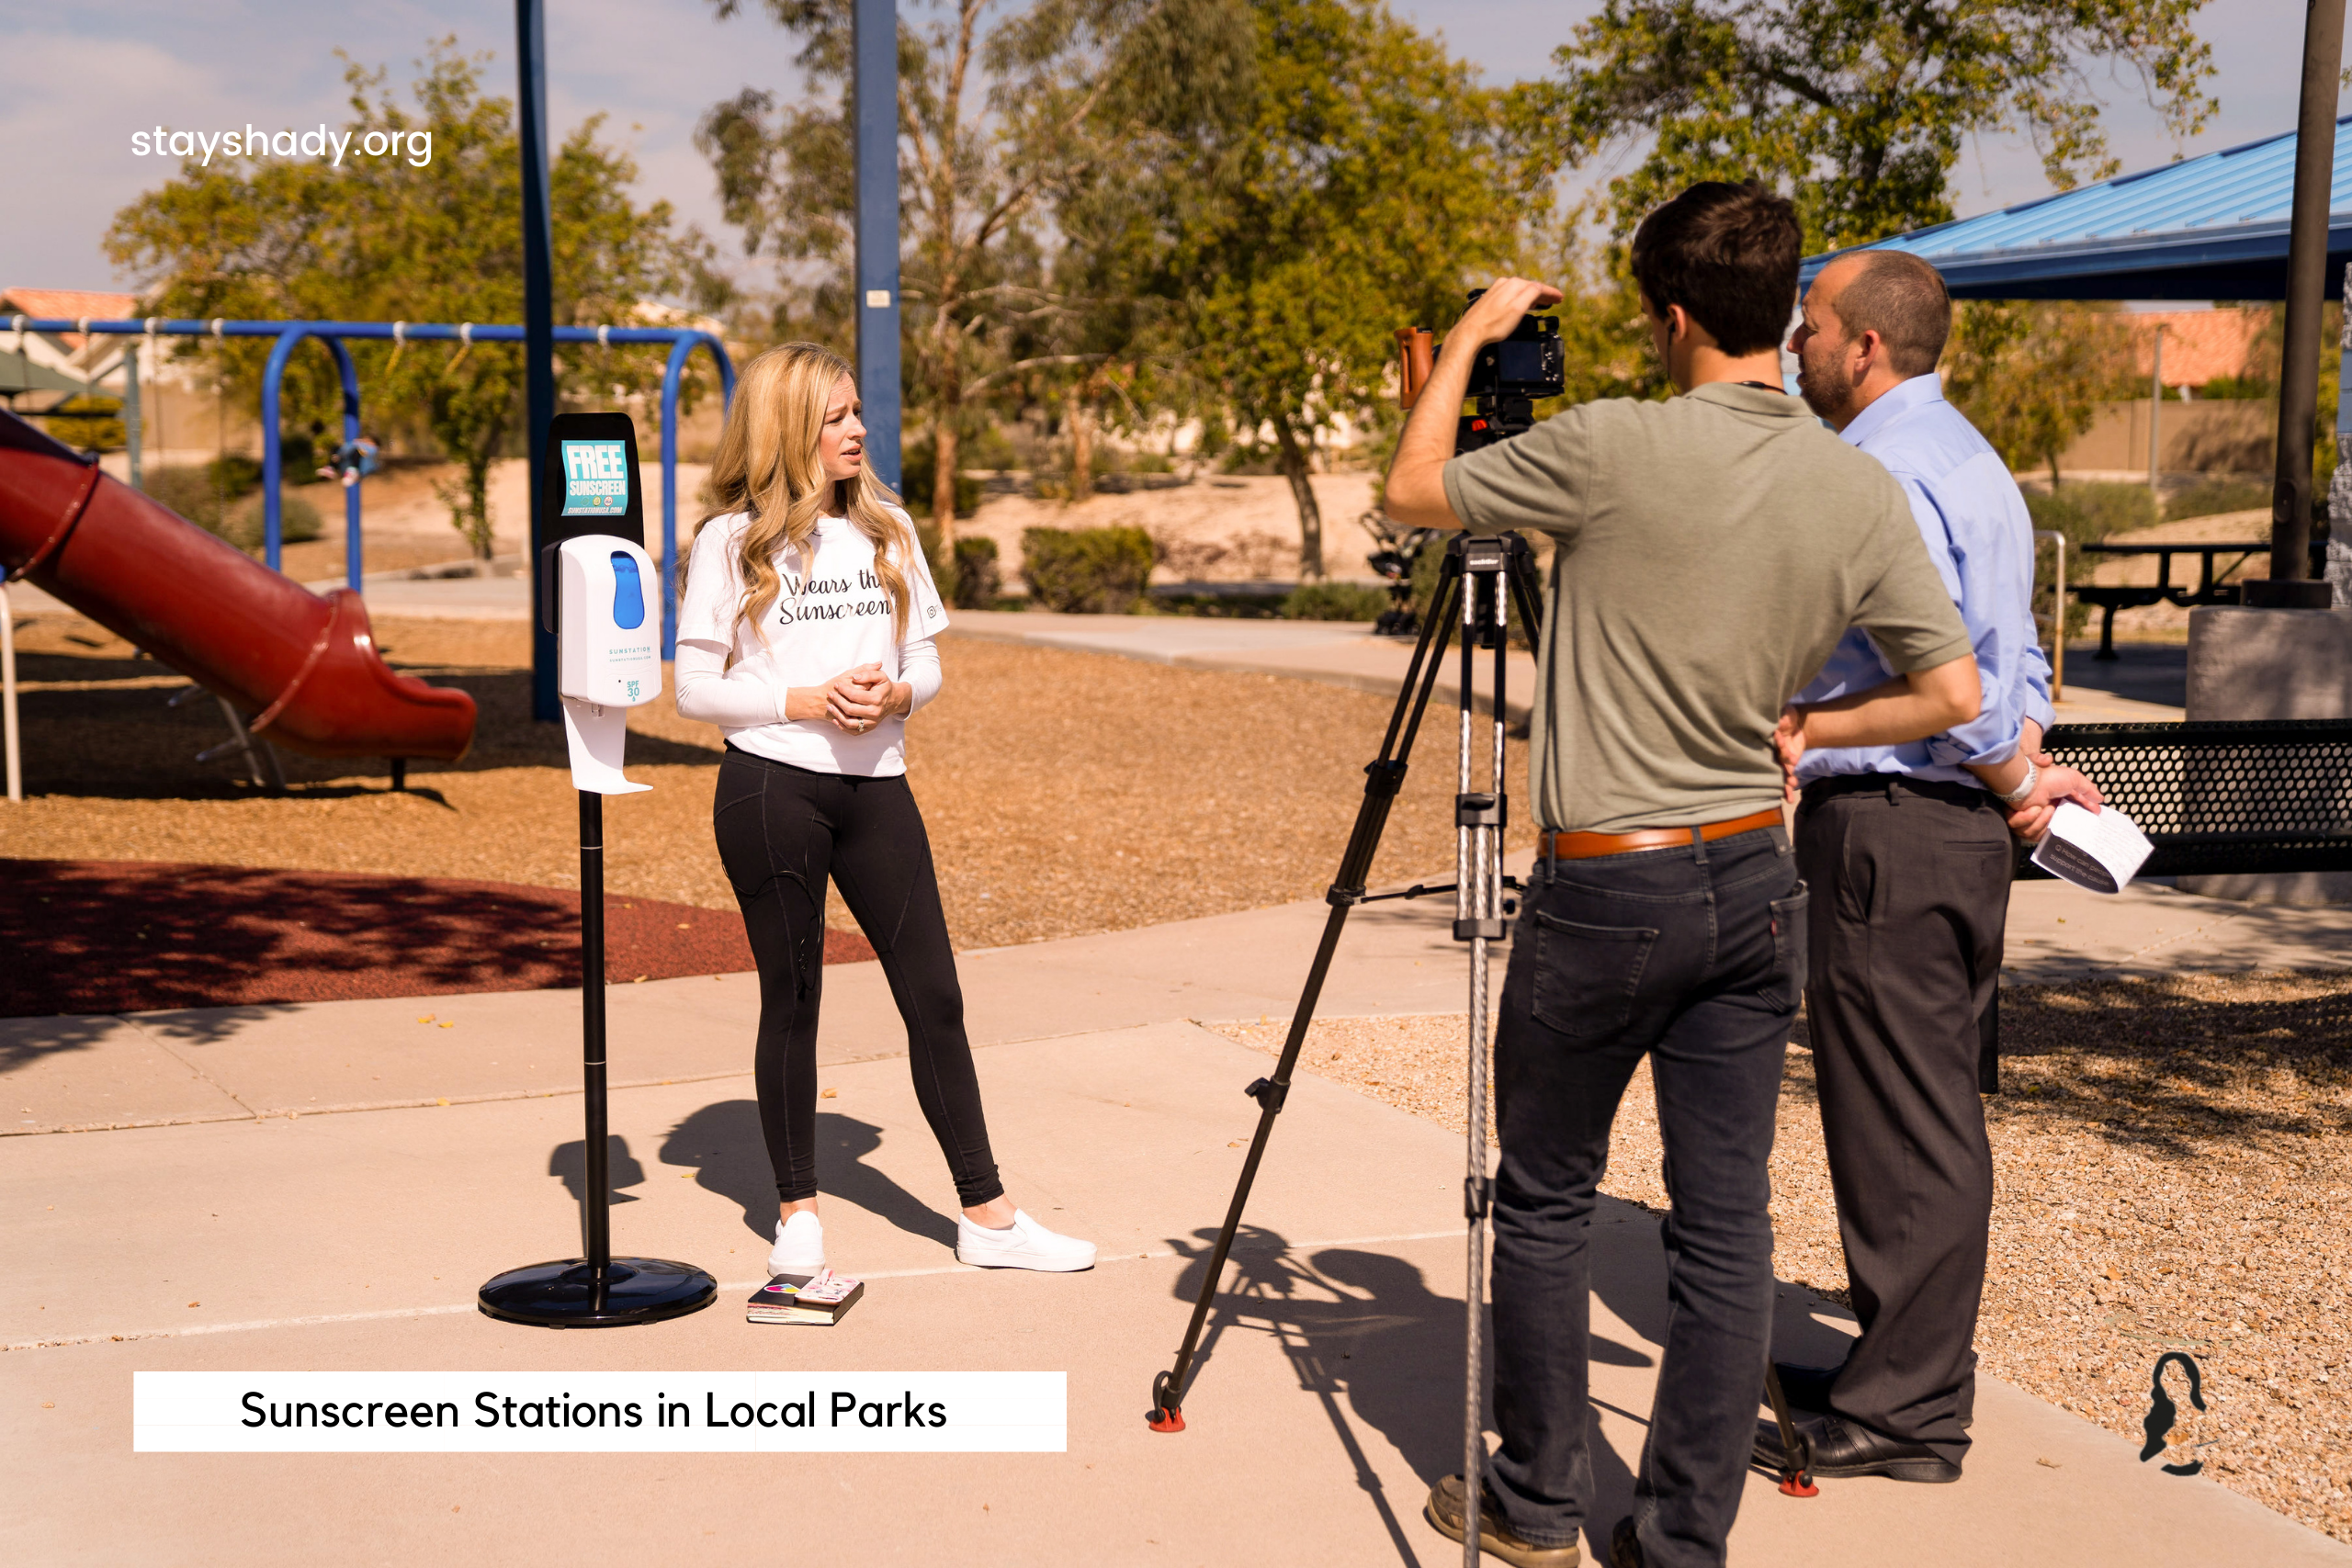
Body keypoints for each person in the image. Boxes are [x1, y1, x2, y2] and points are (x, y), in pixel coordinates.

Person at [1383, 181, 1984, 1568]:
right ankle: (1680, 1542)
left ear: (1666, 316)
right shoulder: (1854, 479)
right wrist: (1814, 727)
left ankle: (1534, 1504)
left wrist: (1472, 338)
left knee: (1542, 1195)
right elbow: (1950, 684)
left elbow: (1414, 492)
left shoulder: (1610, 447)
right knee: (1726, 1229)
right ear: (1785, 313)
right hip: (1752, 882)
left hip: (1608, 884)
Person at [1753, 250, 2103, 1484]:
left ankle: (1905, 1415)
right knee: (1920, 1102)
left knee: (1906, 1115)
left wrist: (2005, 775)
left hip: (1900, 823)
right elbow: (2018, 661)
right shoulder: (1968, 457)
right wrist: (2028, 755)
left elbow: (1950, 690)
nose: (1795, 345)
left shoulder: (1883, 472)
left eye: (1810, 328)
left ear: (1865, 348)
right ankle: (1894, 1371)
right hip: (1942, 830)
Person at [673, 342, 1094, 1279]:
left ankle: (988, 1219)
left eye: (856, 412)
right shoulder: (728, 541)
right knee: (795, 1001)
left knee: (935, 996)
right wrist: (802, 701)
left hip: (879, 792)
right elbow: (694, 692)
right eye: (835, 418)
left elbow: (928, 662)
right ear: (788, 429)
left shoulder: (889, 529)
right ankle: (797, 1213)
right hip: (771, 789)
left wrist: (898, 696)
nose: (857, 429)